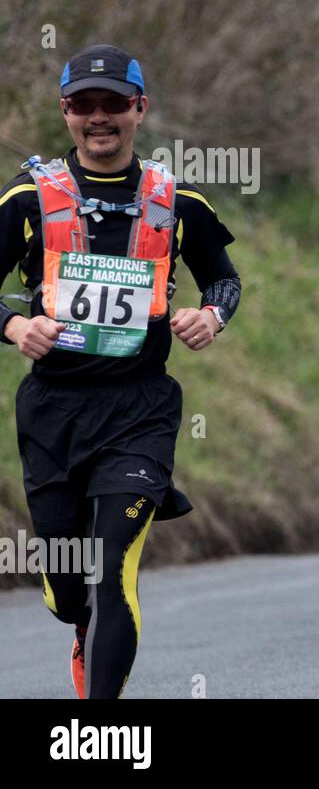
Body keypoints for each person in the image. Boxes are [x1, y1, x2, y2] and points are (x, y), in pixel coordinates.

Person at [0, 44, 241, 699]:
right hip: (53, 410)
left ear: (140, 109)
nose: (99, 117)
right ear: (66, 112)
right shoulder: (26, 200)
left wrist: (211, 318)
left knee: (113, 574)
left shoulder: (178, 201)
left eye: (114, 104)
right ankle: (79, 624)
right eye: (85, 105)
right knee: (67, 588)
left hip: (140, 409)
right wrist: (16, 325)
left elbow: (223, 281)